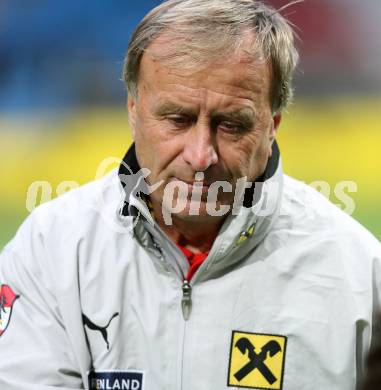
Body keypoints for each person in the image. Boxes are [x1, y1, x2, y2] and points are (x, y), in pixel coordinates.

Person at [0, 1, 380, 389]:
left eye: (231, 125)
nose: (200, 156)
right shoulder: (51, 253)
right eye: (177, 119)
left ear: (272, 126)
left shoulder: (361, 278)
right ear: (133, 110)